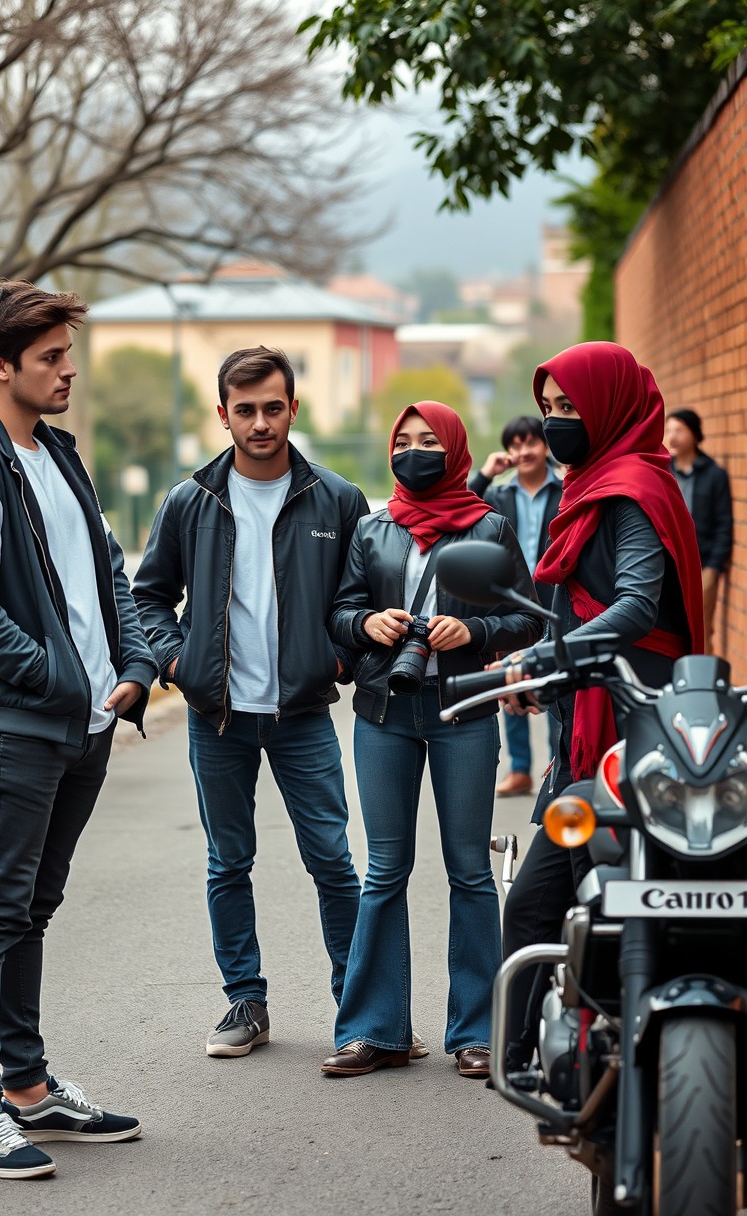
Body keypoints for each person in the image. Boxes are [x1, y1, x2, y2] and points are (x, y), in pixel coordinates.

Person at [0, 280, 158, 1180]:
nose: (69, 370)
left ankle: (27, 1090)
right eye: (52, 357)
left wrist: (132, 668)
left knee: (33, 907)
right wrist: (64, 680)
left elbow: (108, 571)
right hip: (19, 724)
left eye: (68, 352)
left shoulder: (57, 454)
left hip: (85, 723)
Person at [133, 346, 367, 1059]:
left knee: (332, 860)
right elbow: (148, 596)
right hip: (219, 717)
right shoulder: (190, 500)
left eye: (273, 407)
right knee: (228, 861)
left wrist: (340, 658)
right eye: (246, 410)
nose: (261, 422)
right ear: (223, 415)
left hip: (302, 714)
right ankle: (246, 1001)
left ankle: (360, 1010)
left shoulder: (337, 498)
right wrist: (176, 662)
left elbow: (363, 599)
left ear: (294, 408)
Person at [318, 401, 544, 1080]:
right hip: (384, 712)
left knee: (470, 872)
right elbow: (339, 612)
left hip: (464, 714)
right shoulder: (372, 527)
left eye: (428, 441)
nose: (414, 451)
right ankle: (374, 1032)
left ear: (454, 449)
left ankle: (477, 1033)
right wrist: (369, 626)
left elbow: (525, 618)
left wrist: (472, 633)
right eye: (403, 441)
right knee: (384, 870)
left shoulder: (489, 524)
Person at [498, 342, 704, 1068]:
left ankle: (540, 1052)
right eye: (548, 410)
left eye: (568, 410)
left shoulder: (631, 489)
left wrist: (543, 657)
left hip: (634, 726)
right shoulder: (593, 483)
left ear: (610, 407)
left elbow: (637, 603)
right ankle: (526, 1056)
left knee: (560, 899)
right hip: (589, 718)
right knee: (552, 900)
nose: (556, 425)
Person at [469, 415, 563, 797]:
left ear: (545, 447)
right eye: (515, 445)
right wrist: (486, 475)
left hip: (556, 597)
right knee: (510, 677)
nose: (523, 452)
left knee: (557, 680)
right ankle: (520, 769)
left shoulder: (565, 487)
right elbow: (466, 514)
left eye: (531, 443)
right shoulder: (499, 494)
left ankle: (561, 762)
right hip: (511, 601)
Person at [664, 407, 733, 655]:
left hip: (703, 567)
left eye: (679, 430)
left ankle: (703, 687)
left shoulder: (715, 475)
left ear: (694, 434)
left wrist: (714, 568)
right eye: (668, 430)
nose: (672, 436)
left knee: (701, 631)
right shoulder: (662, 472)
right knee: (669, 630)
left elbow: (724, 525)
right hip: (667, 566)